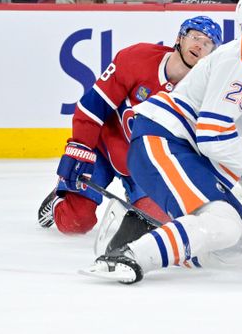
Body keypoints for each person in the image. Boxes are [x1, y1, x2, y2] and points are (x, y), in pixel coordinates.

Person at [82, 0, 242, 284]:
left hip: (186, 152)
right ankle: (131, 253)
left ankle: (163, 230)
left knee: (237, 252)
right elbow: (212, 133)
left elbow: (237, 145)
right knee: (225, 226)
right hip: (164, 141)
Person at [38, 16, 222, 236]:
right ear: (179, 38)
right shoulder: (137, 59)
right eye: (195, 37)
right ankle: (60, 199)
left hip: (146, 168)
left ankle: (135, 193)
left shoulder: (203, 95)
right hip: (103, 151)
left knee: (155, 227)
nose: (199, 45)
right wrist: (81, 149)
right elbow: (92, 106)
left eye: (207, 43)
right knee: (75, 223)